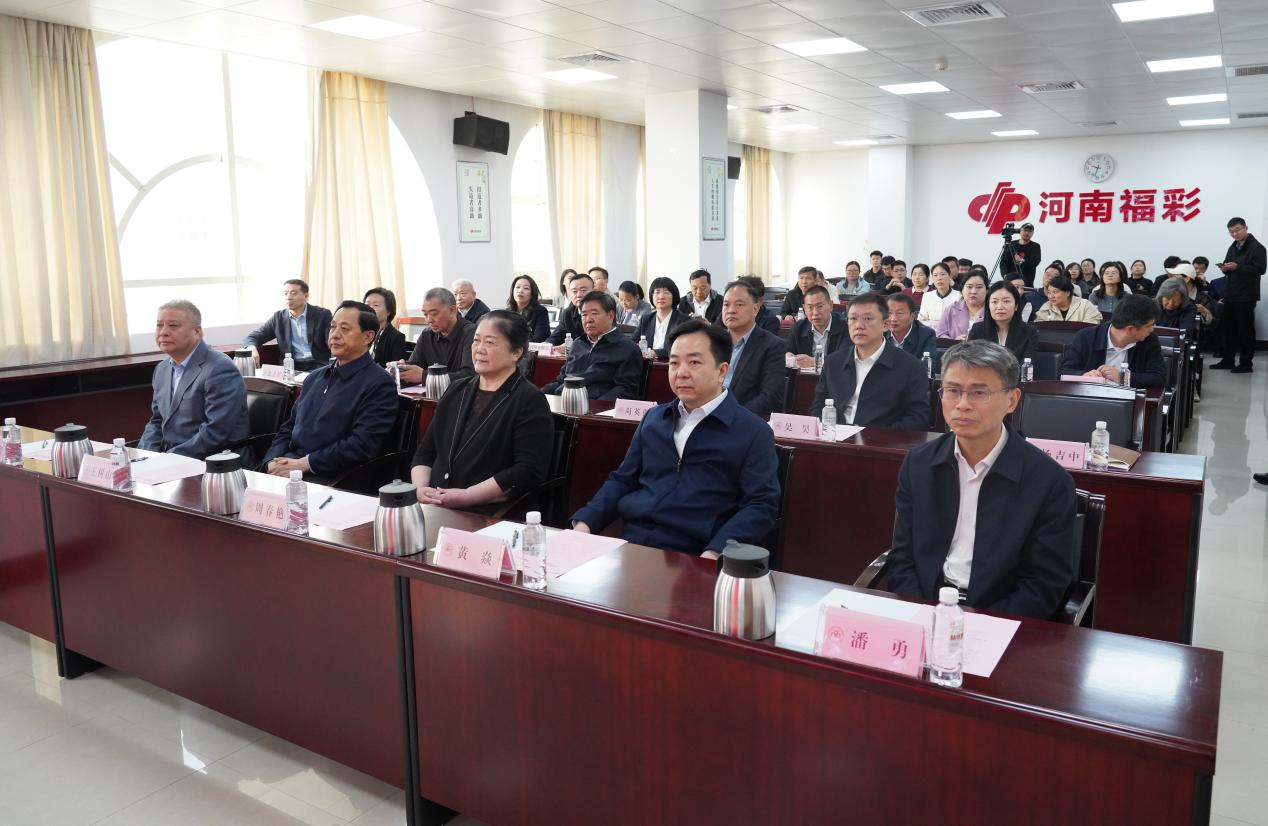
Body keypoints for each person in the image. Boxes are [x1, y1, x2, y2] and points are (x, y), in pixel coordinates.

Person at [886, 340, 1077, 619]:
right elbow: (902, 557)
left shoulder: (1049, 481)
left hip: (1000, 617)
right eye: (952, 390)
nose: (962, 405)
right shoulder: (919, 463)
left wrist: (980, 626)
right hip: (927, 607)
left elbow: (1043, 584)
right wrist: (920, 612)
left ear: (1012, 400)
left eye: (979, 392)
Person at [570, 319, 780, 558]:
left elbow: (760, 505)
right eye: (674, 363)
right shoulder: (654, 418)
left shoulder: (752, 431)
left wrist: (715, 552)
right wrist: (584, 524)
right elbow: (623, 480)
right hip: (634, 546)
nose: (681, 373)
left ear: (722, 371)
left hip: (696, 554)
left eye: (694, 362)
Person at [410, 311, 553, 514]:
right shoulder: (456, 389)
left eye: (490, 342)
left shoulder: (529, 400)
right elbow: (426, 451)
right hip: (434, 504)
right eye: (476, 340)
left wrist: (467, 496)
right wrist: (420, 488)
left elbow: (527, 471)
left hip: (486, 511)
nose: (479, 349)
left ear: (516, 353)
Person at [261, 301, 398, 481]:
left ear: (367, 337)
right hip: (289, 466)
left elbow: (362, 445)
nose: (335, 334)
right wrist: (271, 461)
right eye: (333, 327)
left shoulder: (379, 383)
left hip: (333, 475)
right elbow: (289, 427)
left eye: (345, 329)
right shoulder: (314, 378)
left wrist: (305, 464)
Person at [139, 299, 249, 459]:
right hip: (172, 460)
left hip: (214, 462)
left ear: (197, 331)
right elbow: (157, 421)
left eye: (173, 325)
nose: (163, 332)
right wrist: (145, 456)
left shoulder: (220, 368)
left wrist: (167, 460)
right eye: (159, 325)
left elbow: (215, 433)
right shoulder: (162, 369)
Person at [809, 293, 930, 430]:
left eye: (868, 318)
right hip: (835, 437)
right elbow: (818, 408)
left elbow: (918, 418)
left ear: (885, 324)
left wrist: (878, 437)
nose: (859, 325)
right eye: (853, 318)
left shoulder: (911, 367)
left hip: (880, 440)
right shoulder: (833, 362)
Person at [543, 291, 643, 399]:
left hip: (596, 406)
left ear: (610, 316)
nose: (588, 320)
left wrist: (595, 406)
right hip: (564, 402)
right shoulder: (577, 344)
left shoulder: (627, 348)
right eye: (584, 315)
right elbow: (561, 380)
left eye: (594, 313)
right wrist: (539, 396)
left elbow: (625, 389)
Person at [1061, 294, 1165, 387]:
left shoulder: (1149, 340)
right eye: (1148, 326)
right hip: (1090, 397)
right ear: (1130, 329)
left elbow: (1159, 377)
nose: (1152, 329)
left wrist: (1123, 377)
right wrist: (1084, 376)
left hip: (1129, 399)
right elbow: (1065, 371)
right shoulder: (1086, 337)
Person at [720, 279, 786, 417]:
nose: (731, 310)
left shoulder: (772, 346)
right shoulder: (712, 342)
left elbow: (771, 396)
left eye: (739, 304)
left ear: (755, 309)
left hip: (744, 419)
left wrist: (735, 416)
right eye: (726, 304)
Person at [242, 278, 332, 372]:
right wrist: (252, 348)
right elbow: (252, 337)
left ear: (306, 295)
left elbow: (333, 342)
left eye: (293, 293)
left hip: (318, 365)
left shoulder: (322, 315)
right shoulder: (278, 318)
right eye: (285, 293)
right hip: (291, 367)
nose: (288, 297)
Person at [1213, 217, 1266, 373]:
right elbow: (1229, 265)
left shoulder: (1257, 247)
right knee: (1228, 329)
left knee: (1245, 331)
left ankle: (1246, 364)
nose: (1235, 234)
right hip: (1231, 293)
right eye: (1231, 232)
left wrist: (1238, 267)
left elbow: (1260, 269)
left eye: (1237, 230)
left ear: (1245, 228)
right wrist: (1225, 268)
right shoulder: (1233, 246)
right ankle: (1227, 360)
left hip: (1247, 295)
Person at [399, 287, 475, 385]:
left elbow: (470, 375)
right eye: (425, 314)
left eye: (434, 314)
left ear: (452, 310)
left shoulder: (471, 333)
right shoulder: (427, 334)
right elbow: (415, 365)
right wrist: (402, 368)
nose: (428, 320)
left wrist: (425, 376)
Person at [968, 282, 1037, 366]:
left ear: (1016, 306)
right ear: (988, 305)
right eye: (994, 302)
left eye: (1006, 301)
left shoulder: (1029, 332)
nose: (1000, 307)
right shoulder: (977, 330)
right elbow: (970, 362)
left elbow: (1027, 366)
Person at [787, 285, 848, 367]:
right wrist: (789, 357)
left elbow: (845, 359)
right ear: (804, 309)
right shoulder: (798, 328)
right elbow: (787, 352)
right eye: (810, 307)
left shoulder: (845, 327)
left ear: (831, 305)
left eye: (820, 306)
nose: (815, 313)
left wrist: (815, 362)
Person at [884, 292, 940, 374]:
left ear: (912, 316)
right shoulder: (879, 333)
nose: (893, 319)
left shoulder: (926, 334)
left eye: (899, 313)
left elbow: (928, 366)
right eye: (889, 313)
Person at [637, 277, 688, 360]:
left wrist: (656, 353)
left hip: (671, 364)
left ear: (674, 296)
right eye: (657, 292)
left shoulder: (683, 321)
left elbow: (681, 348)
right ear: (652, 296)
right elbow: (632, 342)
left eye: (666, 292)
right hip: (646, 365)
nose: (661, 296)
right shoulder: (646, 319)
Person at [934, 270, 988, 340]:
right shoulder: (951, 310)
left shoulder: (993, 310)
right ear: (962, 290)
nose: (973, 291)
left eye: (979, 287)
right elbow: (940, 334)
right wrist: (954, 342)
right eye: (969, 287)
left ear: (987, 290)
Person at [363, 287, 408, 367]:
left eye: (376, 305)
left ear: (388, 311)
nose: (370, 308)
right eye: (367, 304)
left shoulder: (396, 337)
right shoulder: (360, 333)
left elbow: (395, 370)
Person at [548, 271, 594, 347]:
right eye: (574, 291)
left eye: (583, 290)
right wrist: (546, 345)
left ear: (594, 291)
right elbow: (556, 336)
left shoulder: (603, 311)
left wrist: (570, 345)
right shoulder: (568, 313)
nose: (578, 295)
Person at [1035, 275, 1103, 323]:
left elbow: (1092, 326)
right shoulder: (1046, 307)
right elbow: (1040, 327)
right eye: (1049, 292)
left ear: (1067, 293)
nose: (1051, 296)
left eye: (1055, 292)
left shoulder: (1085, 305)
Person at [507, 274, 551, 343]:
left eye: (526, 288)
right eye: (517, 287)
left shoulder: (540, 311)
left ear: (532, 293)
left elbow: (538, 339)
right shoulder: (507, 313)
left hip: (532, 348)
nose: (520, 291)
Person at [1001, 222, 1042, 286]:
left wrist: (1021, 260)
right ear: (1020, 231)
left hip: (1027, 283)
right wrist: (1004, 275)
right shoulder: (1010, 244)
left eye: (1029, 231)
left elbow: (1035, 262)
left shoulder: (1035, 246)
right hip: (1009, 282)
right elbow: (1003, 262)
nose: (1027, 233)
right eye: (1025, 230)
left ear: (1032, 233)